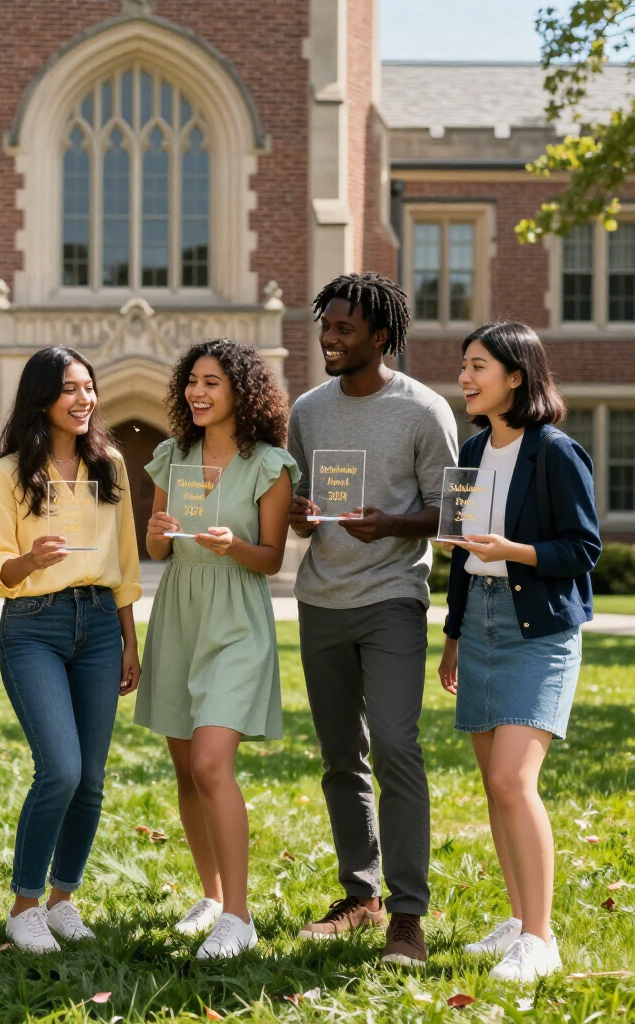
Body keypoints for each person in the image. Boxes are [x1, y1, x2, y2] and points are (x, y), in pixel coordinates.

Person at [287, 272, 458, 967]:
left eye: (343, 329)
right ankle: (360, 896)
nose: (329, 338)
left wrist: (391, 523)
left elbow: (452, 511)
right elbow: (298, 500)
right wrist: (296, 512)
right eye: (325, 327)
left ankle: (407, 917)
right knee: (339, 756)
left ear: (380, 336)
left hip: (392, 595)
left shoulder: (423, 410)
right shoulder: (308, 409)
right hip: (319, 598)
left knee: (394, 743)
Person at [438, 321, 599, 982]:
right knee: (495, 786)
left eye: (478, 366)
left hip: (539, 630)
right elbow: (458, 555)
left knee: (512, 779)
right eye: (464, 366)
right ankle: (516, 919)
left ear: (516, 376)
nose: (466, 378)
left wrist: (514, 552)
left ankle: (540, 938)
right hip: (478, 625)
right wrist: (451, 635)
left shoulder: (556, 452)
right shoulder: (472, 451)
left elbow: (583, 549)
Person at [0, 346, 142, 954]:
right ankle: (24, 907)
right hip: (34, 626)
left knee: (92, 780)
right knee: (61, 770)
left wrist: (129, 641)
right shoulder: (10, 473)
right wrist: (30, 559)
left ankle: (62, 899)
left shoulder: (111, 466)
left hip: (99, 625)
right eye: (70, 389)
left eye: (89, 387)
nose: (85, 399)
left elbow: (124, 561)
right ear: (43, 397)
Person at [137, 339, 295, 959]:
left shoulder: (270, 465)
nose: (198, 394)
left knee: (210, 763)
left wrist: (235, 545)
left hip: (236, 616)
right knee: (184, 768)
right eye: (192, 383)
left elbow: (274, 559)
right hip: (179, 612)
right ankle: (211, 896)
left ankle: (239, 916)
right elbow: (160, 550)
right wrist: (155, 535)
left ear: (241, 393)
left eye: (212, 383)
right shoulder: (170, 458)